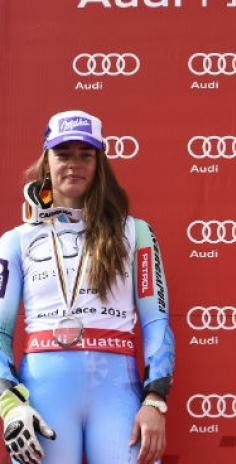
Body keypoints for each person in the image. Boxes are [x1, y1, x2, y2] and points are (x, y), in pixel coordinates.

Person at [0, 110, 175, 464]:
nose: (74, 164)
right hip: (44, 395)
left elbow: (156, 321)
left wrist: (155, 400)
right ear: (47, 161)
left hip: (117, 395)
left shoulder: (136, 232)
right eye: (63, 154)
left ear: (100, 164)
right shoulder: (15, 241)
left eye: (86, 155)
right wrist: (9, 405)